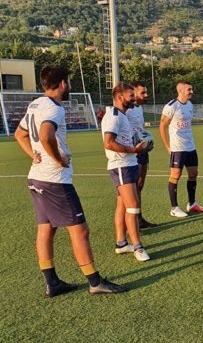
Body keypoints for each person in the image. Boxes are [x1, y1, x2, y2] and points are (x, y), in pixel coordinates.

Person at [14, 65, 128, 296]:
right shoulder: (55, 108)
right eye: (69, 82)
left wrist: (33, 156)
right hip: (54, 181)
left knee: (46, 228)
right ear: (63, 83)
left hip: (36, 177)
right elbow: (46, 136)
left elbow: (20, 134)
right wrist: (57, 159)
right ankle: (95, 282)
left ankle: (52, 282)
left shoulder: (35, 104)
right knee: (80, 230)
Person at [101, 83, 151, 262]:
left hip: (127, 163)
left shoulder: (122, 115)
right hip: (121, 165)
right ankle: (138, 246)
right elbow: (108, 142)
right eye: (131, 95)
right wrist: (133, 150)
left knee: (122, 205)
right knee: (133, 206)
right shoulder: (114, 116)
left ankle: (121, 243)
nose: (134, 98)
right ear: (120, 97)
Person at [159, 80, 203, 218]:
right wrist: (168, 146)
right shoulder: (172, 106)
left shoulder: (190, 105)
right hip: (177, 147)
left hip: (190, 146)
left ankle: (192, 204)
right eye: (189, 90)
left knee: (193, 173)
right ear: (180, 91)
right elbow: (162, 126)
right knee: (175, 175)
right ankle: (174, 208)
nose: (191, 92)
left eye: (191, 89)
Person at [127, 81, 158, 228]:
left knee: (139, 185)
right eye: (143, 93)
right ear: (133, 94)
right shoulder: (126, 110)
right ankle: (130, 222)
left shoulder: (138, 109)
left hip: (142, 151)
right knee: (130, 190)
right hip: (132, 153)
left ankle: (139, 219)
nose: (146, 95)